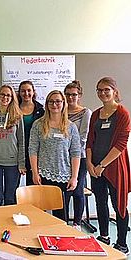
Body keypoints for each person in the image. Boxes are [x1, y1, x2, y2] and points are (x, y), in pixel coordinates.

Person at [86, 77, 130, 254]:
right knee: (100, 202)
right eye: (99, 90)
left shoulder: (122, 114)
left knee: (118, 203)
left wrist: (102, 165)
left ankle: (122, 243)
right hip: (95, 167)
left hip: (114, 167)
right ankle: (104, 237)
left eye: (106, 90)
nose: (102, 93)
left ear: (114, 91)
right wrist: (89, 163)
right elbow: (90, 140)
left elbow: (121, 144)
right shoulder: (96, 114)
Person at [29, 90, 80, 221]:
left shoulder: (71, 127)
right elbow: (33, 150)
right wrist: (35, 173)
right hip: (43, 175)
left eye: (58, 101)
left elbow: (75, 153)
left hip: (64, 177)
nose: (54, 104)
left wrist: (74, 177)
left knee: (61, 216)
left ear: (63, 103)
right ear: (46, 104)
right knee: (41, 215)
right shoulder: (38, 125)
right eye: (51, 101)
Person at [63, 80, 92, 230]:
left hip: (79, 156)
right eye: (67, 94)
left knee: (78, 189)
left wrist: (71, 151)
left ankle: (77, 223)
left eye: (73, 94)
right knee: (65, 191)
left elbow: (83, 136)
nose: (70, 97)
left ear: (79, 95)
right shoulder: (61, 111)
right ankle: (64, 223)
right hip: (62, 158)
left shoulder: (86, 112)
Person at [18, 81, 44, 186]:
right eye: (23, 91)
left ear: (33, 92)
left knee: (33, 183)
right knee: (14, 185)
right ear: (19, 93)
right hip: (17, 151)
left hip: (35, 152)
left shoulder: (41, 111)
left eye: (29, 90)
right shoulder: (14, 109)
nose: (26, 93)